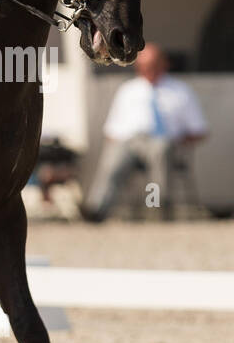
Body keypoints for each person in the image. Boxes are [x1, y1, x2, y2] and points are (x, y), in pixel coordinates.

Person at [80, 43, 209, 222]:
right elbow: (112, 129)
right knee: (112, 159)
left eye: (153, 66)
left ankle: (155, 208)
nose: (148, 71)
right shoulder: (128, 90)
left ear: (164, 65)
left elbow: (198, 130)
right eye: (144, 67)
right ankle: (97, 209)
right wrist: (116, 145)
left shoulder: (180, 91)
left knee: (160, 152)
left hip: (164, 142)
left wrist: (178, 140)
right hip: (130, 143)